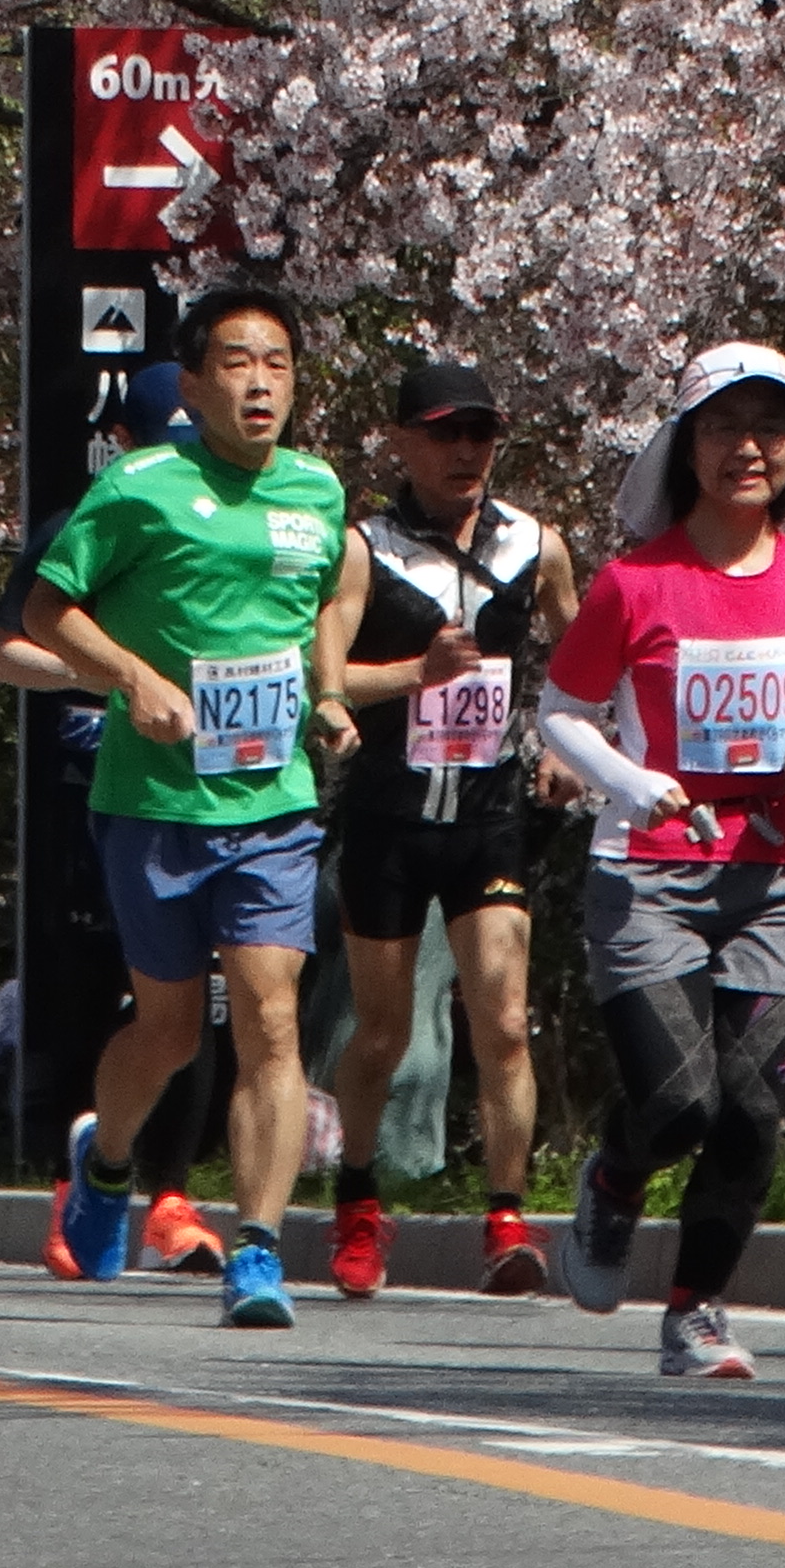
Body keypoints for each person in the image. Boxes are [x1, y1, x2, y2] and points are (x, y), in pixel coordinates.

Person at [537, 344, 785, 1377]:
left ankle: (697, 1309)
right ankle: (614, 1182)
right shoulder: (633, 584)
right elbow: (562, 712)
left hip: (781, 870)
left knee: (752, 1109)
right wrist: (631, 781)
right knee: (679, 1100)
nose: (749, 450)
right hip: (649, 864)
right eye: (723, 430)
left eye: (771, 432)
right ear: (684, 448)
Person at [12, 279, 365, 1329]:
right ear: (196, 381)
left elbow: (330, 601)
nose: (261, 384)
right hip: (154, 797)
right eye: (237, 364)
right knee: (167, 1031)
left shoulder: (316, 492)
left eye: (279, 365)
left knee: (268, 1021)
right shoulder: (138, 487)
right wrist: (132, 677)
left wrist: (332, 691)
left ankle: (258, 1248)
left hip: (273, 800)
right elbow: (47, 608)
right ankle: (105, 1160)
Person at [314, 355, 574, 1301]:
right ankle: (357, 1204)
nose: (467, 451)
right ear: (401, 441)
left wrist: (562, 742)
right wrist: (410, 677)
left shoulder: (535, 545)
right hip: (389, 812)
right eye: (445, 432)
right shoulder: (364, 547)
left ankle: (507, 1217)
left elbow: (578, 657)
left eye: (482, 433)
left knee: (503, 1020)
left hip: (489, 810)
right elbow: (328, 678)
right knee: (381, 1030)